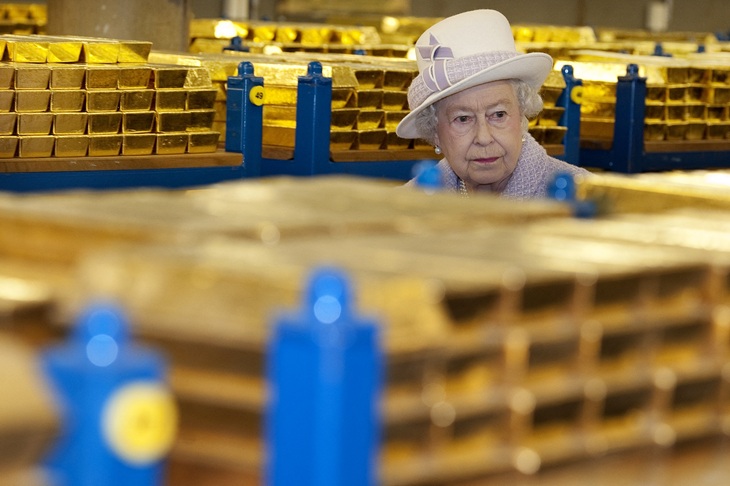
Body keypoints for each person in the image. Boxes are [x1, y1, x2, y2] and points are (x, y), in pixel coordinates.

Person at [396, 9, 591, 199]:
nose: (483, 138)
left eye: (498, 115)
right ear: (435, 133)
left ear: (521, 116)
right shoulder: (409, 203)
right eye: (463, 119)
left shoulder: (586, 197)